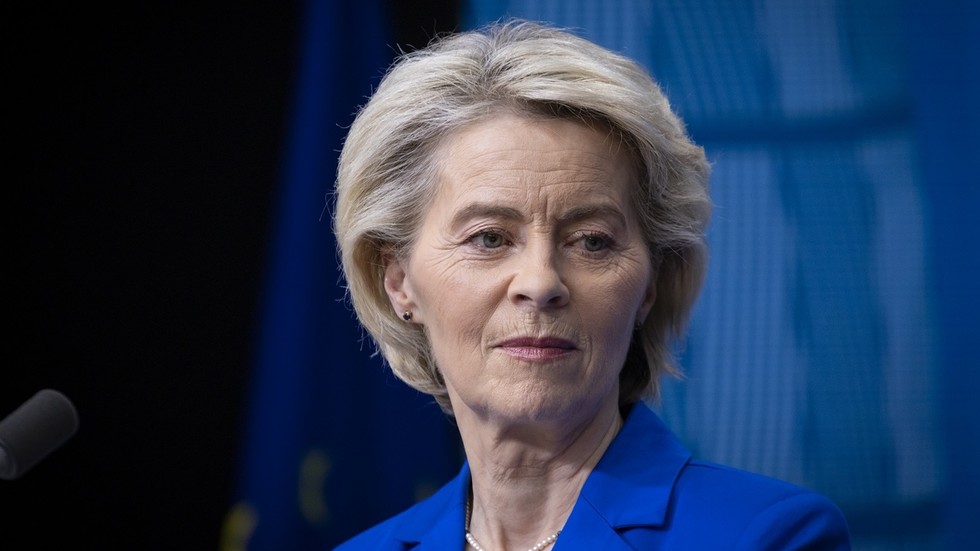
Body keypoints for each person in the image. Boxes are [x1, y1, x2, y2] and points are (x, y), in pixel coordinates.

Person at [332, 19, 850, 551]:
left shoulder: (766, 536)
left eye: (592, 242)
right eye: (489, 238)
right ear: (398, 281)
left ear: (650, 284)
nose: (540, 283)